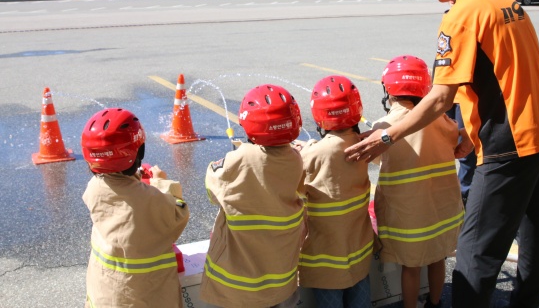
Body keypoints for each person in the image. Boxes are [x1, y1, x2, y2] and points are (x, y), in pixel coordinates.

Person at [345, 0, 539, 308]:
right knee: (534, 236)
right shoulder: (505, 1)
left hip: (509, 143)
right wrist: (469, 135)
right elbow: (499, 76)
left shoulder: (461, 14)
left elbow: (439, 97)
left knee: (475, 252)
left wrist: (387, 135)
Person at [200, 84, 306, 308]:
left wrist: (237, 156)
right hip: (281, 284)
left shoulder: (240, 157)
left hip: (236, 289)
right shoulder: (295, 158)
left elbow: (212, 189)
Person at [372, 55, 463, 308]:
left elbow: (377, 159)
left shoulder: (384, 126)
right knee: (437, 259)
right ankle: (435, 302)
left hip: (409, 216)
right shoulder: (442, 119)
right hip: (441, 211)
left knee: (411, 268)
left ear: (388, 89)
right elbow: (454, 137)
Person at [81, 108, 190, 308]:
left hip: (103, 296)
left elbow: (122, 194)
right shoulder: (151, 200)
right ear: (138, 151)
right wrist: (161, 183)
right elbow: (179, 213)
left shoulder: (94, 189)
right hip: (143, 300)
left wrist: (135, 179)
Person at [298, 75, 373, 307]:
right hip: (359, 248)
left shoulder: (312, 154)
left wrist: (308, 148)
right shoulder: (365, 144)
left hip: (326, 256)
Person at [445, 103, 476, 206]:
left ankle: (464, 194)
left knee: (465, 154)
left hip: (463, 100)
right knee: (443, 147)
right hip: (444, 98)